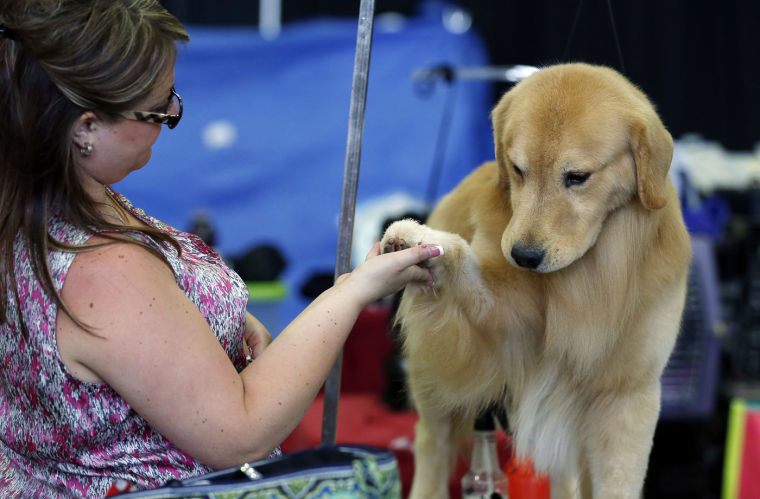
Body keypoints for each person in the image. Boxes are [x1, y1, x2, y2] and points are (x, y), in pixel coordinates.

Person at [0, 1, 440, 496]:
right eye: (157, 108)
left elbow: (135, 339)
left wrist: (211, 321)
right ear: (85, 129)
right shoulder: (104, 269)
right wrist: (352, 292)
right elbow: (241, 434)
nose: (171, 112)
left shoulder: (46, 205)